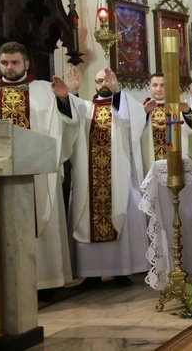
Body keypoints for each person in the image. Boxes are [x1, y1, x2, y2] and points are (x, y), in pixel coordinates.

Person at [0, 42, 79, 292]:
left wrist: (65, 99)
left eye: (15, 62)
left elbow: (69, 123)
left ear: (26, 64)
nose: (9, 67)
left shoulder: (47, 89)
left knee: (42, 224)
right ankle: (2, 283)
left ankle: (48, 281)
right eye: (4, 62)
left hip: (39, 174)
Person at [66, 68, 150, 285]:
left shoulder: (122, 105)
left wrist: (117, 92)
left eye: (108, 79)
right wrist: (72, 94)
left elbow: (135, 121)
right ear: (94, 84)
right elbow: (69, 123)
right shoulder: (84, 108)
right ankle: (91, 273)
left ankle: (122, 271)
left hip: (118, 176)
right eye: (99, 80)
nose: (104, 82)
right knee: (87, 219)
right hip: (89, 179)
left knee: (121, 213)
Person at [140, 72, 191, 174]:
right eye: (155, 85)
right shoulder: (142, 109)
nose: (158, 89)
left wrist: (187, 113)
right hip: (150, 160)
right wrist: (144, 113)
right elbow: (136, 132)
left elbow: (190, 131)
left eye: (163, 85)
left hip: (175, 161)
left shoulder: (177, 107)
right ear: (149, 87)